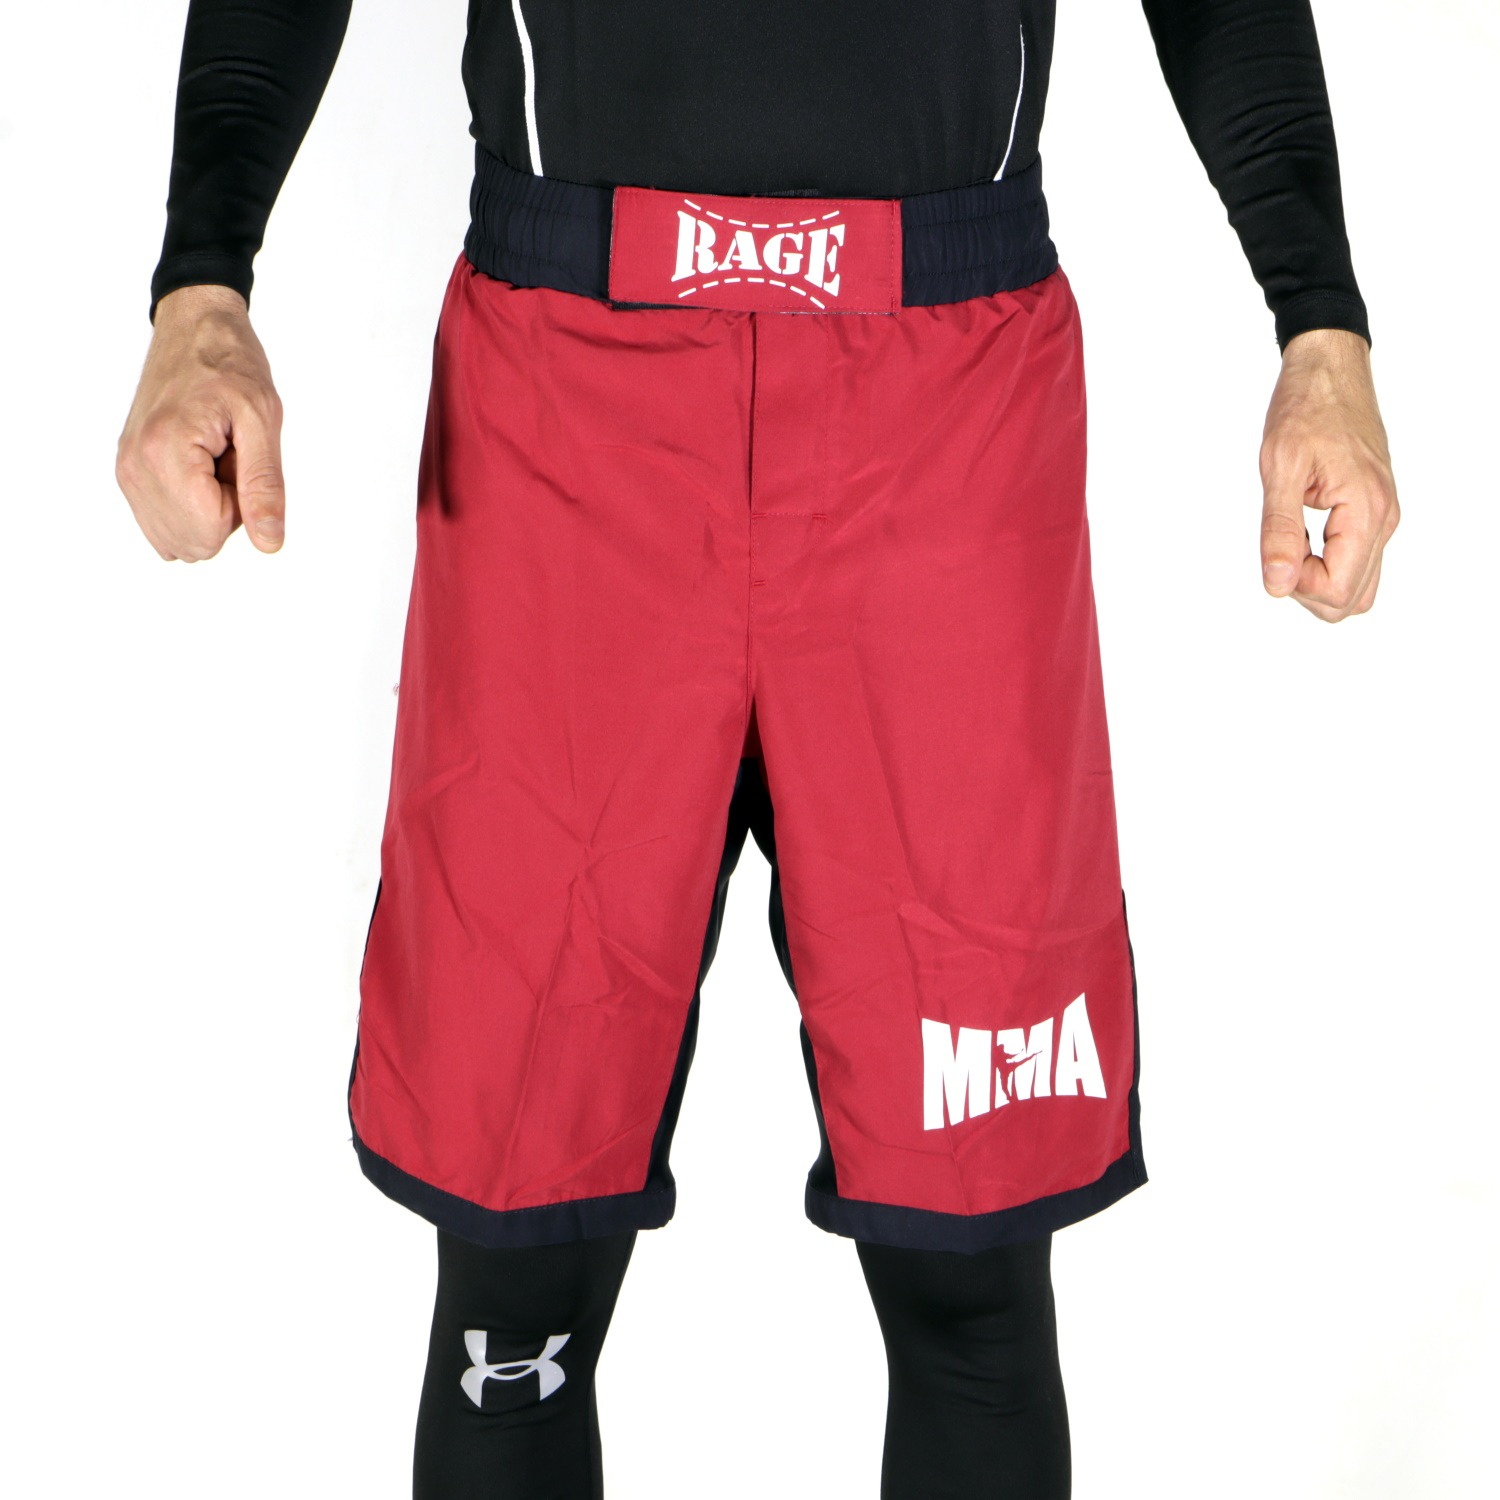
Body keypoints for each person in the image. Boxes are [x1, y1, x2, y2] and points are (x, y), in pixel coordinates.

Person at [114, 4, 1399, 1496]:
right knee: (515, 1292)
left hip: (946, 394)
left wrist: (1320, 319)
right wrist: (201, 281)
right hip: (565, 392)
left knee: (973, 1272)